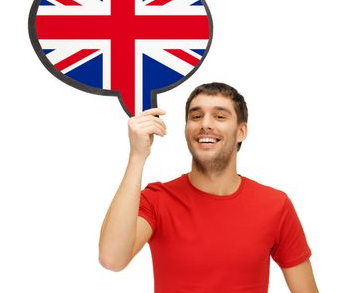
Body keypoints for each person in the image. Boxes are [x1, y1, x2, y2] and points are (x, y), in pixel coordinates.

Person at [98, 82, 319, 293]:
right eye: (195, 116)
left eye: (220, 116)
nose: (205, 124)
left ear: (241, 132)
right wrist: (138, 155)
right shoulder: (157, 199)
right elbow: (112, 259)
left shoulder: (275, 205)